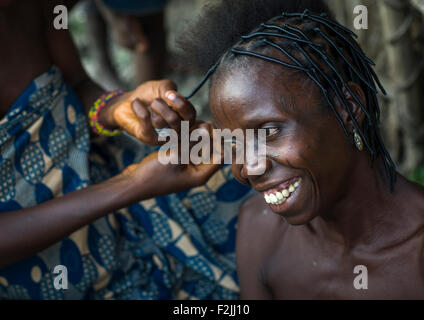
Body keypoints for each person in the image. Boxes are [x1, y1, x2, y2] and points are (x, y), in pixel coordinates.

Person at [0, 0, 251, 299]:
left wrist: (116, 109)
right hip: (55, 278)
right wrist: (130, 185)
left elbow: (76, 83)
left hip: (116, 177)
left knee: (260, 200)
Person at [179, 0, 424, 299]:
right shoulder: (260, 229)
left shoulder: (416, 256)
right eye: (235, 143)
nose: (249, 168)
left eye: (268, 131)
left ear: (347, 107)